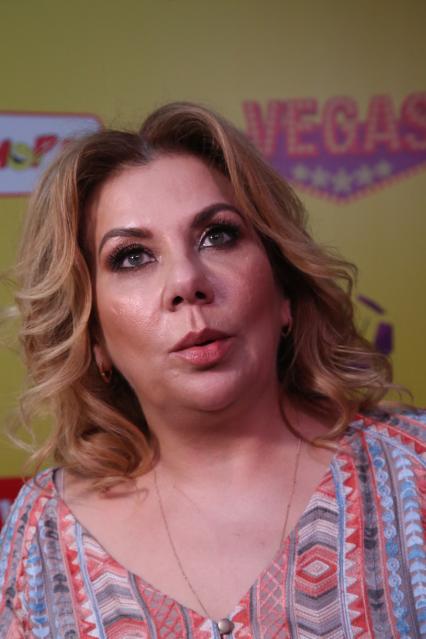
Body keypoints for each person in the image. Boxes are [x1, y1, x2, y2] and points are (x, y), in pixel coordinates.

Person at [0, 102, 425, 639]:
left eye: (218, 235)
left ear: (284, 290)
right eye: (132, 256)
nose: (187, 282)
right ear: (94, 336)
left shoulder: (414, 471)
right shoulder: (41, 536)